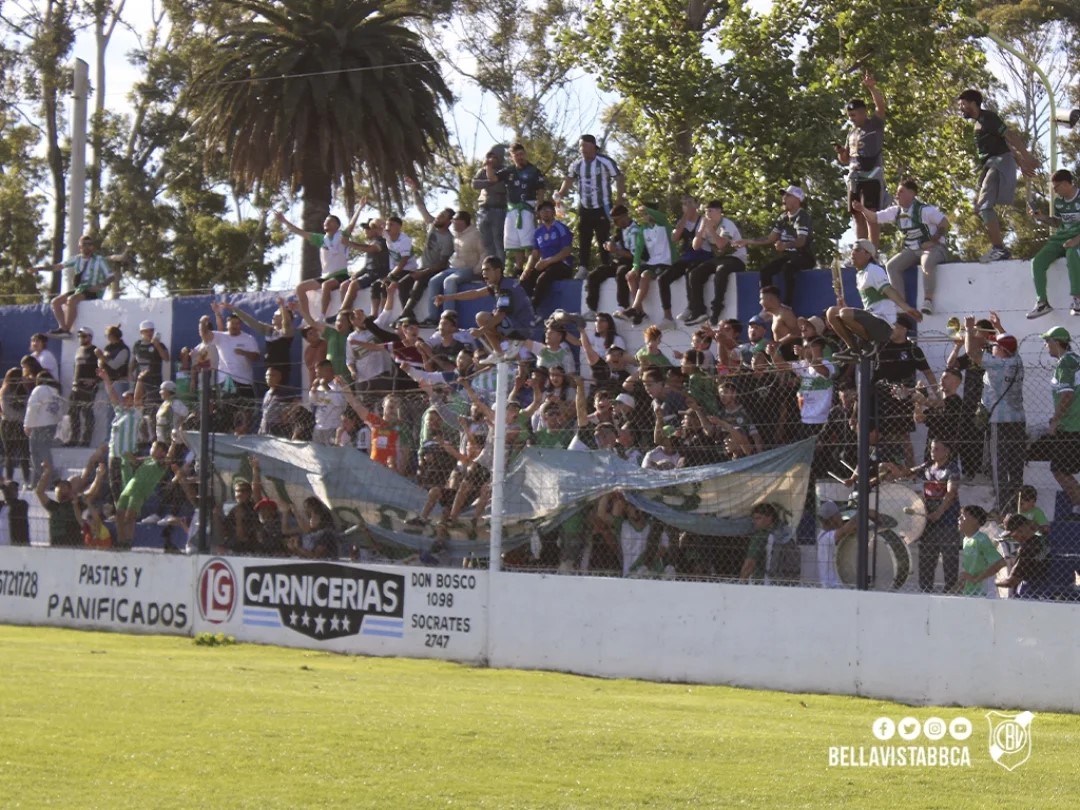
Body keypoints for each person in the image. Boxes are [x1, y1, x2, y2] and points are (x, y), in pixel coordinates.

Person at [956, 88, 1038, 262]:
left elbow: (1010, 136)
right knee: (980, 207)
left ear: (973, 103)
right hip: (991, 164)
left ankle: (999, 249)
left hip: (998, 163)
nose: (961, 108)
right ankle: (999, 248)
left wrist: (1026, 157)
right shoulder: (978, 124)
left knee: (985, 204)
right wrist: (1020, 162)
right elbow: (1003, 144)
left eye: (963, 104)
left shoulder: (988, 118)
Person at [854, 177, 949, 315]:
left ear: (912, 194)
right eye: (898, 192)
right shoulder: (896, 211)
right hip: (912, 250)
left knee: (927, 263)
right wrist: (862, 209)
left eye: (901, 192)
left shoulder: (925, 210)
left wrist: (934, 241)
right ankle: (901, 305)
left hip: (934, 248)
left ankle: (928, 300)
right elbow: (874, 218)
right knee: (892, 266)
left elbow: (944, 223)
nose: (897, 195)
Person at [963, 317, 1025, 512]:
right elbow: (1009, 344)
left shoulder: (996, 364)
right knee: (1016, 467)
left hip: (999, 421)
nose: (993, 348)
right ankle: (1017, 506)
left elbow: (971, 352)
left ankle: (1002, 507)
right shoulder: (1017, 361)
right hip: (1018, 421)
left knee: (999, 467)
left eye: (996, 346)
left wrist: (969, 329)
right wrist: (999, 327)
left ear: (1002, 351)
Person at [826, 239, 923, 362]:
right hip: (872, 319)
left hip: (883, 324)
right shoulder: (860, 274)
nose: (852, 253)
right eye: (852, 250)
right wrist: (844, 306)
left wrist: (906, 308)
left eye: (857, 250)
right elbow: (869, 305)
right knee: (832, 312)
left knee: (844, 313)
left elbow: (889, 290)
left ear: (868, 254)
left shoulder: (874, 270)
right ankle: (854, 350)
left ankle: (867, 345)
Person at [554, 134, 625, 277]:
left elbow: (619, 177)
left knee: (603, 236)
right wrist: (560, 194)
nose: (582, 149)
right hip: (585, 206)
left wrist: (619, 199)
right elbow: (568, 179)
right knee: (584, 236)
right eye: (580, 146)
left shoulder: (605, 161)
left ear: (593, 146)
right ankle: (583, 267)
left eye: (585, 145)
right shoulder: (577, 164)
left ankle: (607, 265)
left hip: (603, 205)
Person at [276, 207, 364, 322]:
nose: (326, 223)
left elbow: (352, 224)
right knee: (300, 288)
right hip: (326, 276)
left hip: (340, 275)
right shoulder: (321, 239)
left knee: (326, 286)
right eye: (325, 221)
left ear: (337, 225)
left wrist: (360, 207)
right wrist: (283, 220)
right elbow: (299, 231)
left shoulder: (342, 236)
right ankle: (308, 318)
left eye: (330, 221)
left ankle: (322, 316)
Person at [435, 256, 536, 356]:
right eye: (483, 270)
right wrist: (446, 297)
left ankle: (509, 346)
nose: (484, 273)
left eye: (487, 270)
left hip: (524, 329)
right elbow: (475, 293)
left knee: (483, 317)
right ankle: (501, 352)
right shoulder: (499, 285)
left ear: (497, 271)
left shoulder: (505, 289)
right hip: (519, 325)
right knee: (487, 318)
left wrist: (481, 331)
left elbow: (500, 315)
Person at [733, 186, 814, 306]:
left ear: (797, 199)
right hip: (789, 255)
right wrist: (747, 241)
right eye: (783, 195)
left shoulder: (802, 216)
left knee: (788, 268)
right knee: (766, 271)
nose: (783, 198)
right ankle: (769, 302)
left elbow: (801, 241)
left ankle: (787, 305)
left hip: (804, 255)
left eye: (787, 195)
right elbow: (770, 238)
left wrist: (785, 245)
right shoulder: (782, 218)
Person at [903, 438, 962, 593]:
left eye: (936, 449)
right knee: (927, 556)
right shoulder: (928, 466)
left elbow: (951, 493)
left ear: (947, 451)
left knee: (949, 556)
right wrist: (890, 467)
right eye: (931, 449)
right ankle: (925, 589)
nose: (932, 452)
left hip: (947, 519)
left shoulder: (952, 469)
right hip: (928, 520)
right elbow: (908, 473)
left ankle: (950, 589)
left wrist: (939, 512)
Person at [835, 72, 886, 246]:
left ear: (863, 113)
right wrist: (841, 153)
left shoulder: (874, 124)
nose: (852, 119)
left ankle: (873, 251)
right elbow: (845, 159)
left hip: (872, 174)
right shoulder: (851, 133)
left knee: (870, 213)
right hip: (854, 177)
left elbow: (880, 107)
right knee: (857, 214)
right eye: (849, 117)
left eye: (854, 115)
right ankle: (861, 248)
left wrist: (871, 87)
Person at [27, 234, 115, 336]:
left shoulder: (99, 260)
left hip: (93, 291)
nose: (87, 247)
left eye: (89, 244)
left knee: (71, 300)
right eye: (84, 244)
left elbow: (111, 276)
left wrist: (100, 286)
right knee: (55, 302)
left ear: (93, 246)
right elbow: (58, 267)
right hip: (80, 290)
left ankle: (66, 330)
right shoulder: (76, 259)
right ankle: (63, 328)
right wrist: (39, 268)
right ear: (80, 247)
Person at [1026, 169, 1080, 319]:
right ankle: (1042, 302)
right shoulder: (1059, 203)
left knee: (1072, 253)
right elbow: (1058, 223)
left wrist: (1076, 240)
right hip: (1060, 239)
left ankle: (1077, 299)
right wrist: (1042, 218)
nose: (1055, 191)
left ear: (1065, 184)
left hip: (1076, 240)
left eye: (1056, 187)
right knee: (1038, 261)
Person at [400, 177, 456, 324]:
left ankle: (405, 314)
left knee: (419, 284)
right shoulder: (432, 225)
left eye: (442, 216)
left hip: (434, 270)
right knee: (402, 284)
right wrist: (414, 190)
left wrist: (423, 272)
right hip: (422, 267)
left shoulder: (448, 240)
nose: (438, 217)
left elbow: (442, 264)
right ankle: (409, 314)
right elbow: (421, 207)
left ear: (449, 222)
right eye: (439, 214)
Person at [683, 200, 746, 327]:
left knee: (721, 271)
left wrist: (710, 229)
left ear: (719, 212)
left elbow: (721, 245)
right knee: (695, 273)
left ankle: (716, 309)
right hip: (718, 259)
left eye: (710, 211)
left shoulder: (726, 224)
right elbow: (696, 246)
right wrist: (701, 231)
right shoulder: (705, 223)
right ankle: (698, 310)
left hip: (735, 258)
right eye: (706, 212)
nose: (708, 215)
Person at [1039, 325, 1080, 515]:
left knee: (1059, 469)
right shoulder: (1074, 360)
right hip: (1073, 424)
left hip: (1070, 426)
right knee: (1062, 468)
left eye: (1048, 341)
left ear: (1057, 343)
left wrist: (1055, 420)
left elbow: (1067, 396)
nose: (1046, 345)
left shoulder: (1065, 363)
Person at [489, 142, 546, 275]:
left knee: (529, 240)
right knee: (515, 242)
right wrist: (489, 166)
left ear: (525, 154)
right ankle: (519, 268)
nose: (520, 157)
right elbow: (492, 178)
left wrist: (540, 206)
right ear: (512, 157)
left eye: (521, 154)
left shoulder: (533, 171)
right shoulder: (509, 171)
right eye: (516, 155)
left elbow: (541, 189)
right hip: (512, 209)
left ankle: (531, 268)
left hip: (527, 207)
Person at [616, 205, 676, 327]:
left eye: (645, 214)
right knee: (630, 276)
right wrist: (635, 267)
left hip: (666, 261)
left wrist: (647, 209)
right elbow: (638, 249)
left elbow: (661, 217)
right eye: (642, 215)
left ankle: (634, 307)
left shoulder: (663, 225)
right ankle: (640, 312)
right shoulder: (643, 229)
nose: (643, 217)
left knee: (645, 275)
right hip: (652, 262)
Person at [211, 306, 261, 431]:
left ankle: (244, 431)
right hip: (226, 380)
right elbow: (208, 335)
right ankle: (228, 432)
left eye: (237, 323)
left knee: (246, 409)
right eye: (232, 323)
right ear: (227, 324)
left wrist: (244, 352)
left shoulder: (248, 339)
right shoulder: (221, 337)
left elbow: (256, 357)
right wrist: (217, 314)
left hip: (244, 380)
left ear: (241, 325)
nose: (234, 326)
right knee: (226, 409)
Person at [428, 211, 484, 320]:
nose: (453, 224)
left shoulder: (475, 235)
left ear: (463, 223)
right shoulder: (456, 235)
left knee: (450, 281)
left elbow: (483, 253)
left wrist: (479, 269)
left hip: (470, 268)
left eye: (456, 222)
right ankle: (432, 317)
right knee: (434, 281)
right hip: (454, 268)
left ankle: (448, 317)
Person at [520, 199, 574, 313]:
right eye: (542, 211)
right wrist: (527, 269)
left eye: (548, 210)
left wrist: (548, 261)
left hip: (562, 265)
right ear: (539, 214)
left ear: (553, 212)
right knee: (525, 280)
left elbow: (566, 250)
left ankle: (532, 311)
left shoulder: (560, 228)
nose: (545, 213)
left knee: (543, 278)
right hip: (546, 265)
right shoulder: (538, 232)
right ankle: (525, 308)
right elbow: (534, 254)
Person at [114, 441, 170, 549]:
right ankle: (120, 541)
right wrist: (125, 453)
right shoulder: (148, 459)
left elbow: (168, 458)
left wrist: (172, 444)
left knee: (130, 517)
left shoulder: (161, 464)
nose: (151, 449)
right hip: (128, 489)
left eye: (155, 448)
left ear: (162, 452)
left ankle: (128, 542)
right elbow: (134, 461)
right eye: (152, 447)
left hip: (139, 492)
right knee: (119, 514)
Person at [584, 205, 637, 317]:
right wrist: (608, 245)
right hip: (619, 261)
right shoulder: (620, 231)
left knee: (622, 273)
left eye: (617, 220)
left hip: (632, 262)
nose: (615, 224)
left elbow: (634, 255)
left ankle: (623, 306)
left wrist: (617, 251)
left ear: (625, 216)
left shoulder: (635, 231)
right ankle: (592, 309)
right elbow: (613, 241)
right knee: (595, 274)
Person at [995, 513, 1053, 599]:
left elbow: (1012, 581)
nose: (1013, 538)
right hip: (1049, 588)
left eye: (1012, 534)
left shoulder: (1026, 549)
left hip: (1031, 591)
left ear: (1021, 529)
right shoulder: (1044, 539)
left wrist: (994, 582)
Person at [956, 505, 1006, 597]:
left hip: (984, 594)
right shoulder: (966, 540)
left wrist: (976, 579)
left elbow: (1000, 563)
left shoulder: (982, 540)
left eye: (963, 517)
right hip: (970, 592)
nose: (959, 518)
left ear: (975, 520)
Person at [472, 144, 508, 261]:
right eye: (490, 156)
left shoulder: (504, 171)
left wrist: (490, 181)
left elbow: (501, 188)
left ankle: (500, 269)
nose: (491, 160)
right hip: (483, 209)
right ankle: (489, 268)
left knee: (498, 241)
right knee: (486, 242)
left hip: (498, 209)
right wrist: (491, 181)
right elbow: (475, 184)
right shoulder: (482, 170)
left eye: (495, 157)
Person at [23, 371, 62, 478]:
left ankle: (43, 478)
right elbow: (59, 411)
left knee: (36, 454)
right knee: (45, 452)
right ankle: (48, 477)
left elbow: (33, 408)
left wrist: (27, 424)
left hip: (38, 425)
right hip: (51, 425)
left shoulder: (38, 390)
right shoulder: (55, 391)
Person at [67, 326, 99, 447]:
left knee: (87, 413)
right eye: (80, 336)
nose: (81, 338)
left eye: (84, 336)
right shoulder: (78, 350)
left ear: (90, 337)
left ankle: (86, 439)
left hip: (88, 387)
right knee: (73, 413)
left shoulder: (95, 350)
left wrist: (95, 381)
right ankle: (73, 438)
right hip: (76, 385)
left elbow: (101, 367)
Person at [34, 462, 81, 547]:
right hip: (57, 546)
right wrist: (46, 472)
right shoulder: (54, 506)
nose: (58, 489)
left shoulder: (77, 503)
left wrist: (98, 477)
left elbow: (91, 494)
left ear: (70, 490)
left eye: (62, 486)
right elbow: (39, 492)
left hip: (75, 546)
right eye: (57, 487)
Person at [0, 369, 31, 488]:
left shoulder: (20, 390)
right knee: (14, 454)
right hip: (12, 424)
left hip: (14, 424)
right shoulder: (8, 391)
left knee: (19, 454)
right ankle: (14, 480)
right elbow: (12, 409)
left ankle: (20, 480)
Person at [816, 500, 856, 589]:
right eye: (838, 515)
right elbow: (844, 531)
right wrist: (865, 512)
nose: (841, 517)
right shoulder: (825, 538)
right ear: (832, 519)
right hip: (832, 587)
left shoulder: (824, 535)